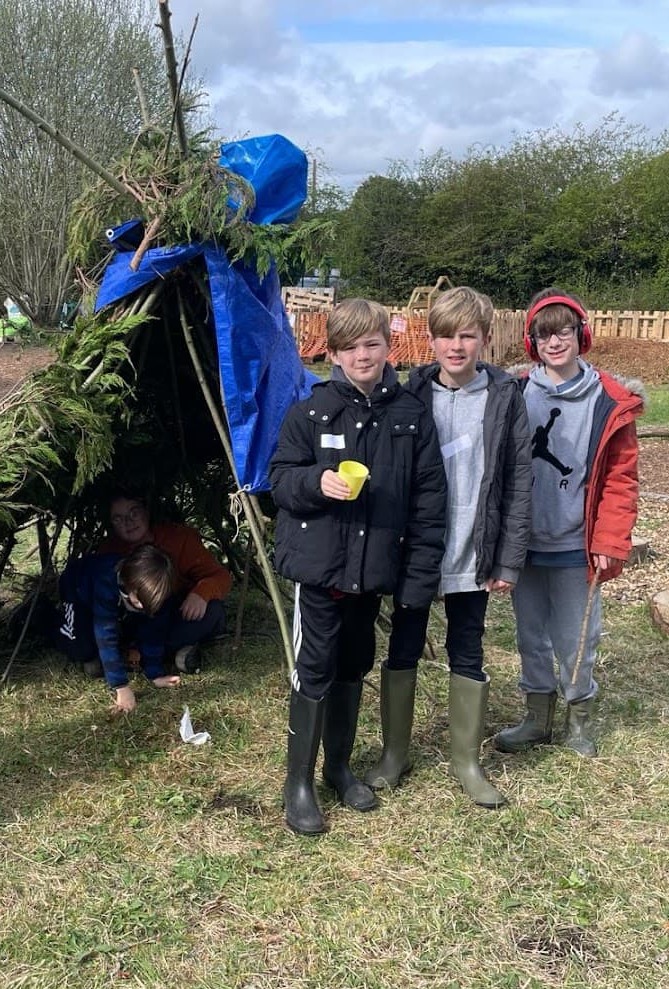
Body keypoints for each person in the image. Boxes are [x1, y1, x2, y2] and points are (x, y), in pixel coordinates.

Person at [269, 298, 447, 835]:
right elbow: (278, 481)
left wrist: (418, 577)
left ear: (387, 347)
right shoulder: (312, 411)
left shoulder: (410, 415)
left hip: (371, 571)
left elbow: (429, 499)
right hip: (321, 569)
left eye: (371, 343)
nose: (362, 355)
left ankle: (338, 768)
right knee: (316, 667)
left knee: (354, 665)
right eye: (350, 347)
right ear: (335, 353)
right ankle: (297, 782)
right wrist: (314, 483)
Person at [365, 286, 531, 808]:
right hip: (419, 547)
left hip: (473, 547)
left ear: (484, 339)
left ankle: (466, 760)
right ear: (430, 340)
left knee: (468, 645)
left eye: (467, 336)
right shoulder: (411, 397)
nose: (455, 346)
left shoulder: (506, 399)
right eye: (445, 336)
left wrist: (508, 557)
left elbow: (518, 482)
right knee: (403, 644)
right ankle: (395, 754)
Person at [494, 288, 642, 758]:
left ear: (581, 336)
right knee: (529, 632)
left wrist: (610, 539)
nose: (554, 341)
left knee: (577, 636)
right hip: (524, 539)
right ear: (531, 342)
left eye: (562, 331)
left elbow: (621, 479)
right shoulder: (514, 393)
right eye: (543, 334)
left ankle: (579, 716)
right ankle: (537, 716)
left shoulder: (609, 402)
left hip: (576, 543)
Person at [93, 491, 231, 674]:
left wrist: (201, 593)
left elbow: (221, 576)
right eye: (118, 518)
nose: (128, 521)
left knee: (212, 611)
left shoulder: (179, 539)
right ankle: (153, 655)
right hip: (133, 618)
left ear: (146, 511)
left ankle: (134, 656)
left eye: (134, 512)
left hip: (173, 611)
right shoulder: (108, 552)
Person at [56, 543, 181, 713]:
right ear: (129, 585)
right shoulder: (105, 581)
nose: (143, 607)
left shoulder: (160, 592)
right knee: (82, 649)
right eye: (138, 602)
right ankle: (41, 614)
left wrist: (155, 674)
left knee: (137, 624)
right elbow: (105, 633)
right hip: (78, 589)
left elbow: (155, 631)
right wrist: (121, 686)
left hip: (117, 603)